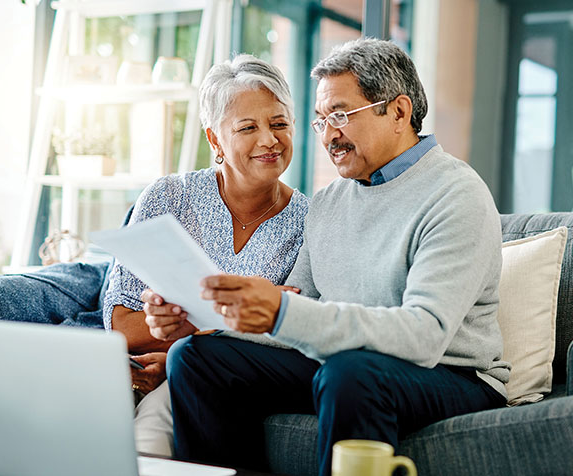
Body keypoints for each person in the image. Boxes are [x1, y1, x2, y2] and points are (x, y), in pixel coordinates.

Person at [145, 38, 510, 476]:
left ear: (398, 112)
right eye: (320, 121)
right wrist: (209, 323)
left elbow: (424, 335)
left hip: (452, 374)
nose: (329, 135)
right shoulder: (330, 201)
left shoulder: (455, 195)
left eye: (340, 116)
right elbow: (301, 305)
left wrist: (283, 310)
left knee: (350, 373)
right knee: (195, 358)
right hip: (347, 365)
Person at [101, 54, 308, 457]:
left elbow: (291, 331)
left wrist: (180, 348)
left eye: (279, 124)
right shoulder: (168, 197)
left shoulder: (311, 221)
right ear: (215, 140)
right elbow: (120, 324)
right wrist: (190, 336)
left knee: (152, 434)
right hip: (139, 372)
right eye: (248, 127)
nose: (269, 140)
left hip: (221, 381)